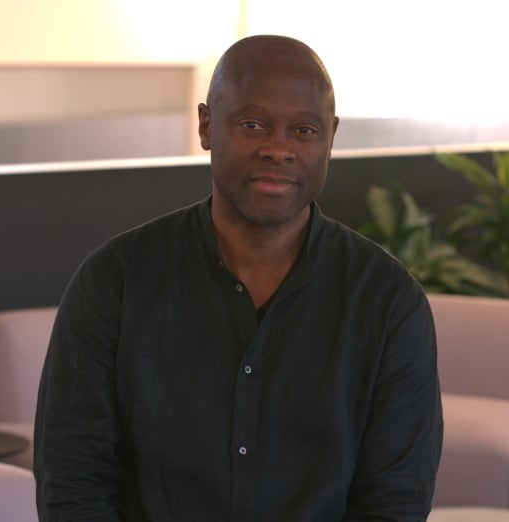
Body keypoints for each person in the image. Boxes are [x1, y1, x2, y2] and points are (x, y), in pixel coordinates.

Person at [34, 34, 443, 521]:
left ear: (330, 137)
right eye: (253, 124)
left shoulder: (387, 301)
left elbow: (395, 498)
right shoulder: (116, 281)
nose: (278, 149)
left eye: (304, 130)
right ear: (207, 125)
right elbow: (74, 483)